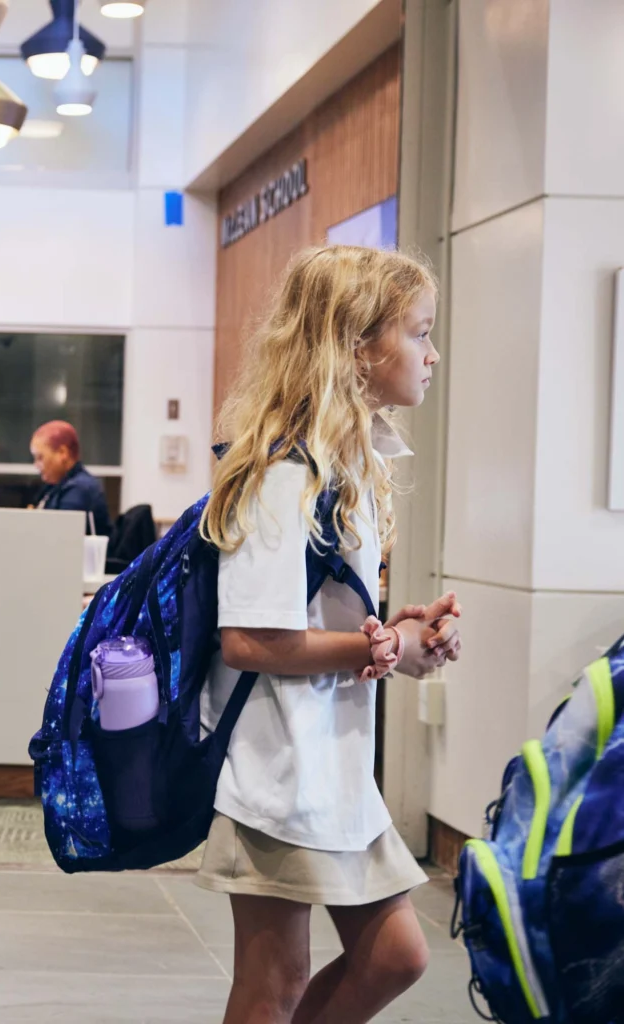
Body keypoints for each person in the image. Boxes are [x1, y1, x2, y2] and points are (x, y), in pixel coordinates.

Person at [196, 245, 464, 1024]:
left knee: (393, 957)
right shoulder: (283, 472)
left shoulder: (344, 461)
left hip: (331, 764)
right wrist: (379, 651)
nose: (430, 353)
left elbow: (320, 612)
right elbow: (249, 640)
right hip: (278, 770)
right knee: (274, 981)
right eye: (417, 332)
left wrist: (397, 633)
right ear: (355, 344)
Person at [30, 419, 112, 539]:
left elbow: (58, 539)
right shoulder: (55, 486)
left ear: (63, 453)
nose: (36, 465)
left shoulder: (79, 489)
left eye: (40, 457)